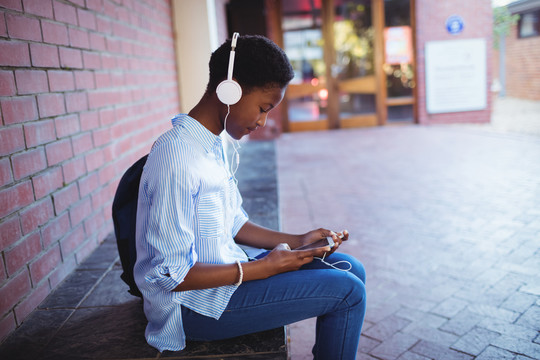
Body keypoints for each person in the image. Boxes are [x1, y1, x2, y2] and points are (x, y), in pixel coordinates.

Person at [133, 34, 366, 359]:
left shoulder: (216, 146)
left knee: (348, 267)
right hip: (191, 308)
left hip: (226, 276)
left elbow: (235, 223)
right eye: (263, 108)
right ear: (230, 89)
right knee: (348, 292)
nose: (262, 121)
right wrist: (261, 270)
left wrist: (298, 240)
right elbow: (170, 273)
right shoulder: (178, 157)